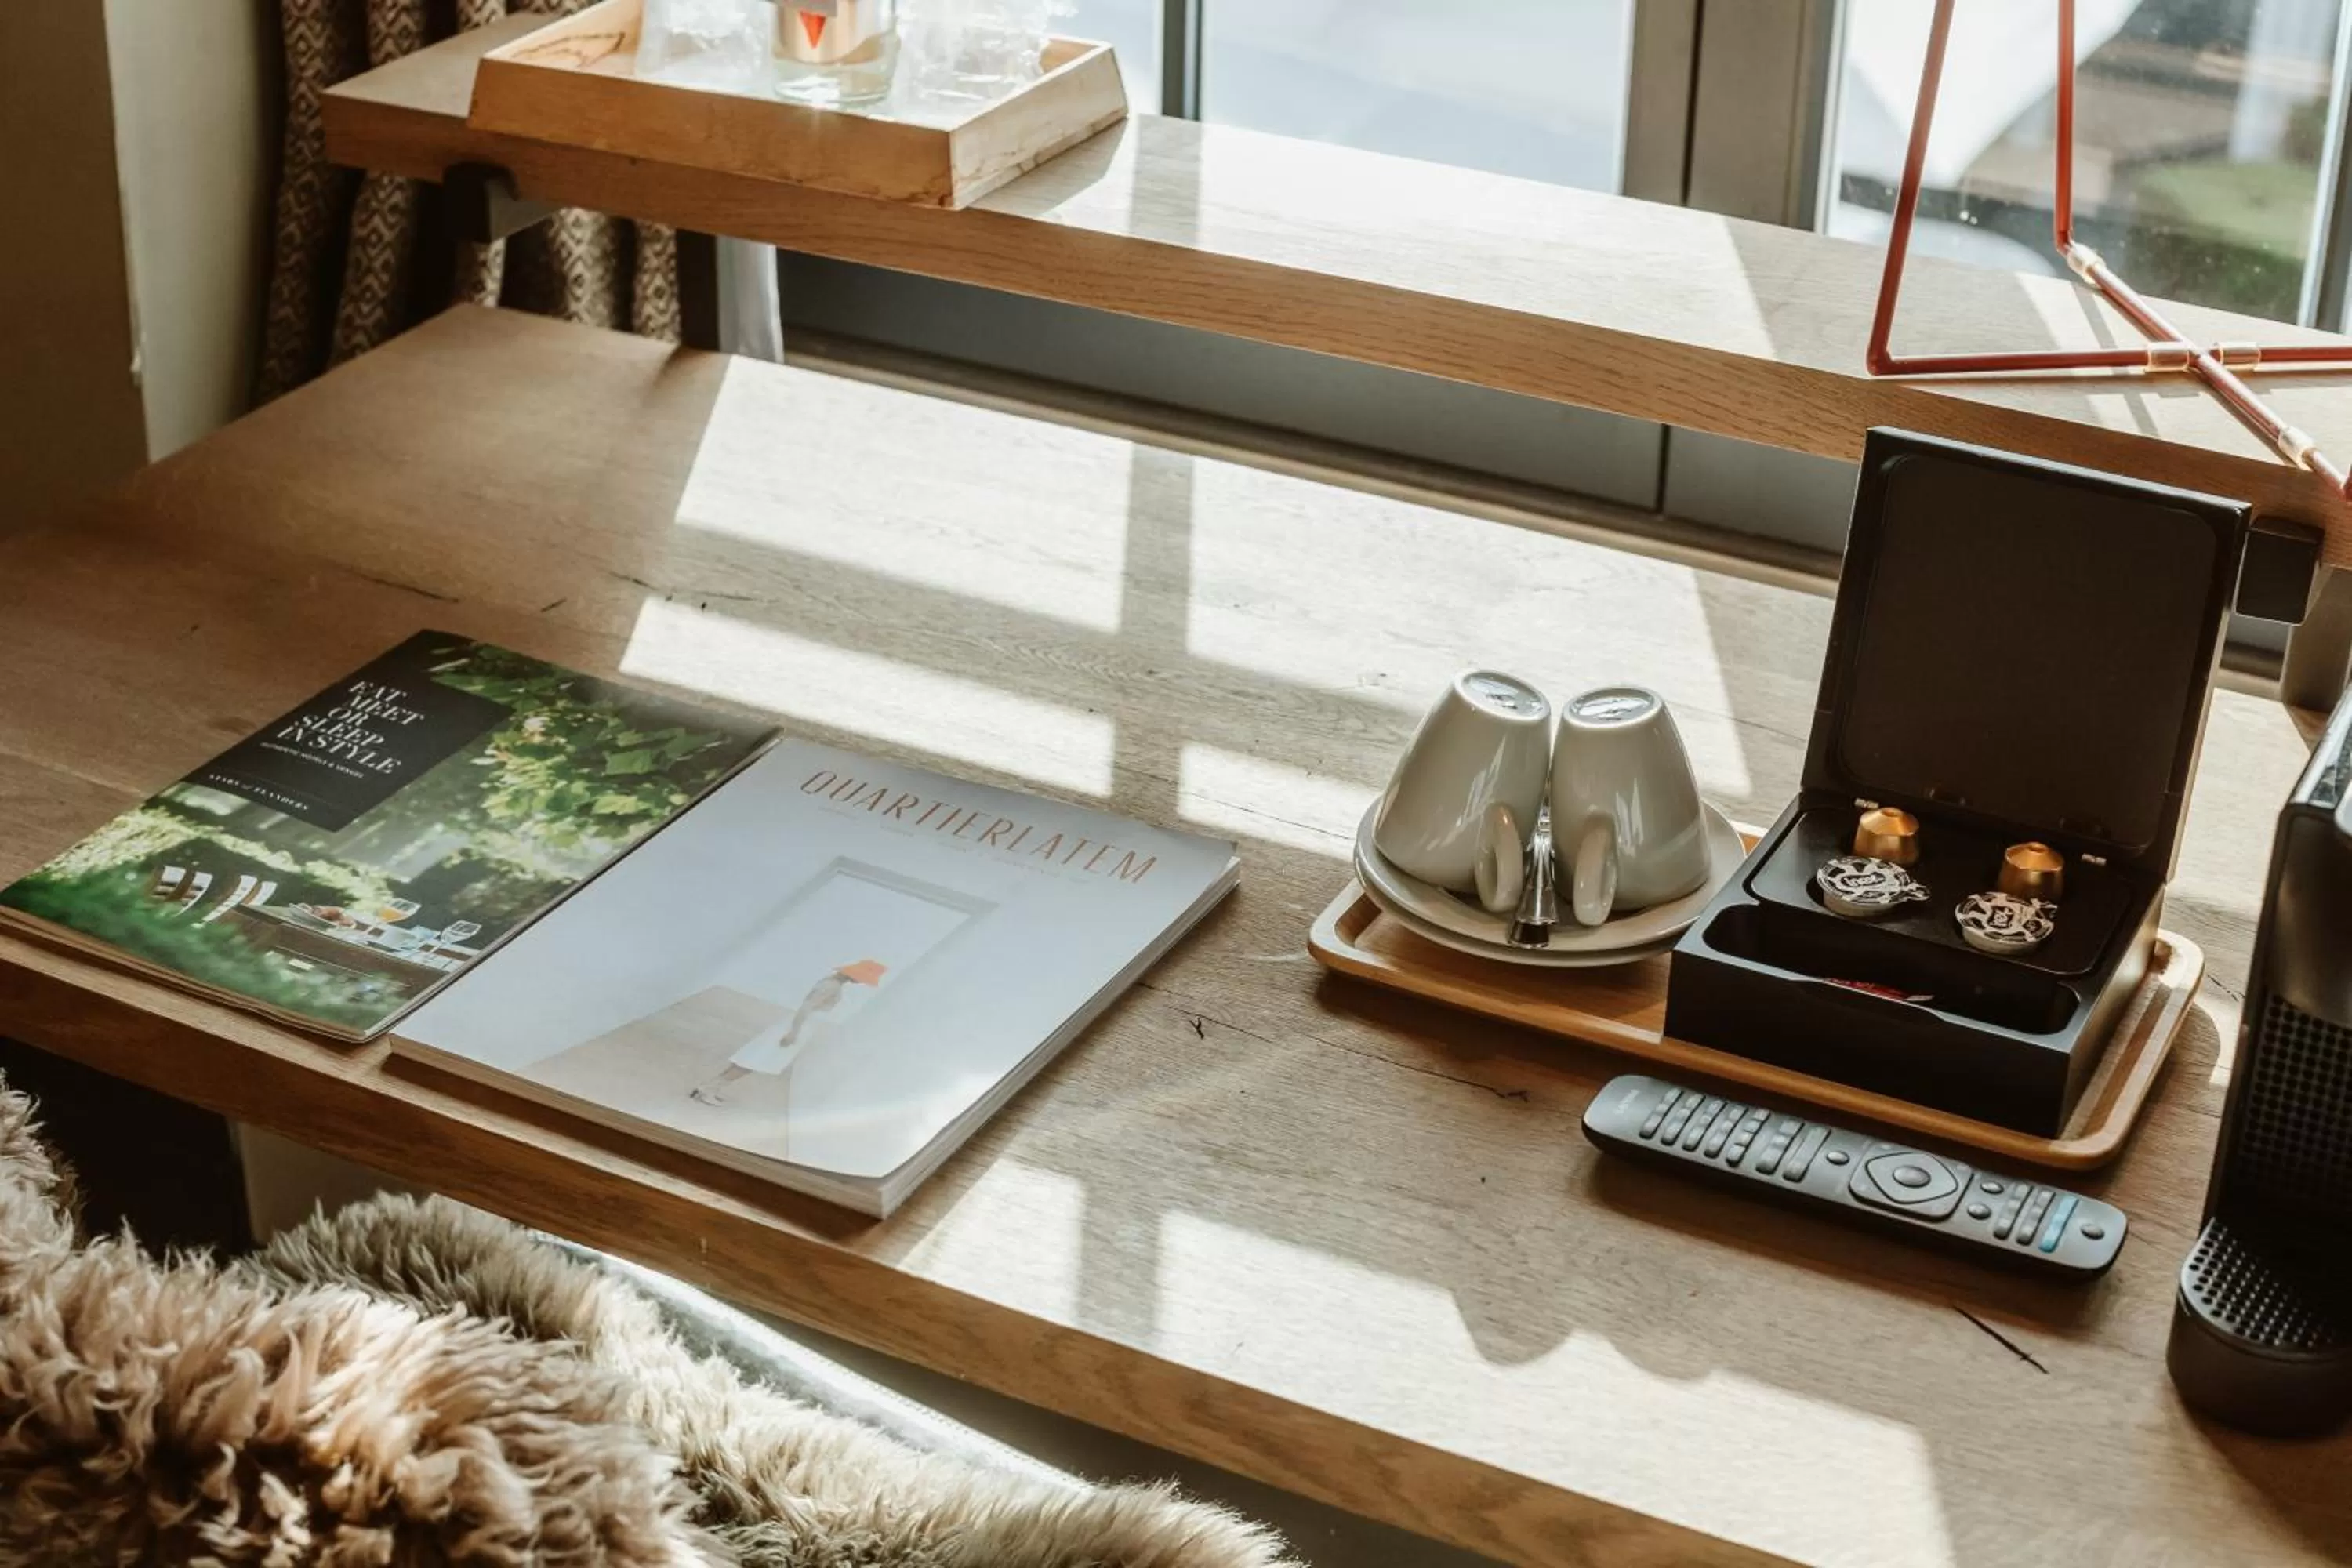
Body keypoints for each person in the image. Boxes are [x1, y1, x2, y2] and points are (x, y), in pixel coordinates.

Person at [689, 958, 886, 1105]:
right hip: (797, 1026)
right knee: (753, 1061)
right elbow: (806, 1007)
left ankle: (710, 1087)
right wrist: (794, 1032)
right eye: (862, 978)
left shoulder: (831, 982)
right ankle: (707, 1089)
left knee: (752, 1060)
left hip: (797, 1026)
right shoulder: (831, 987)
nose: (861, 982)